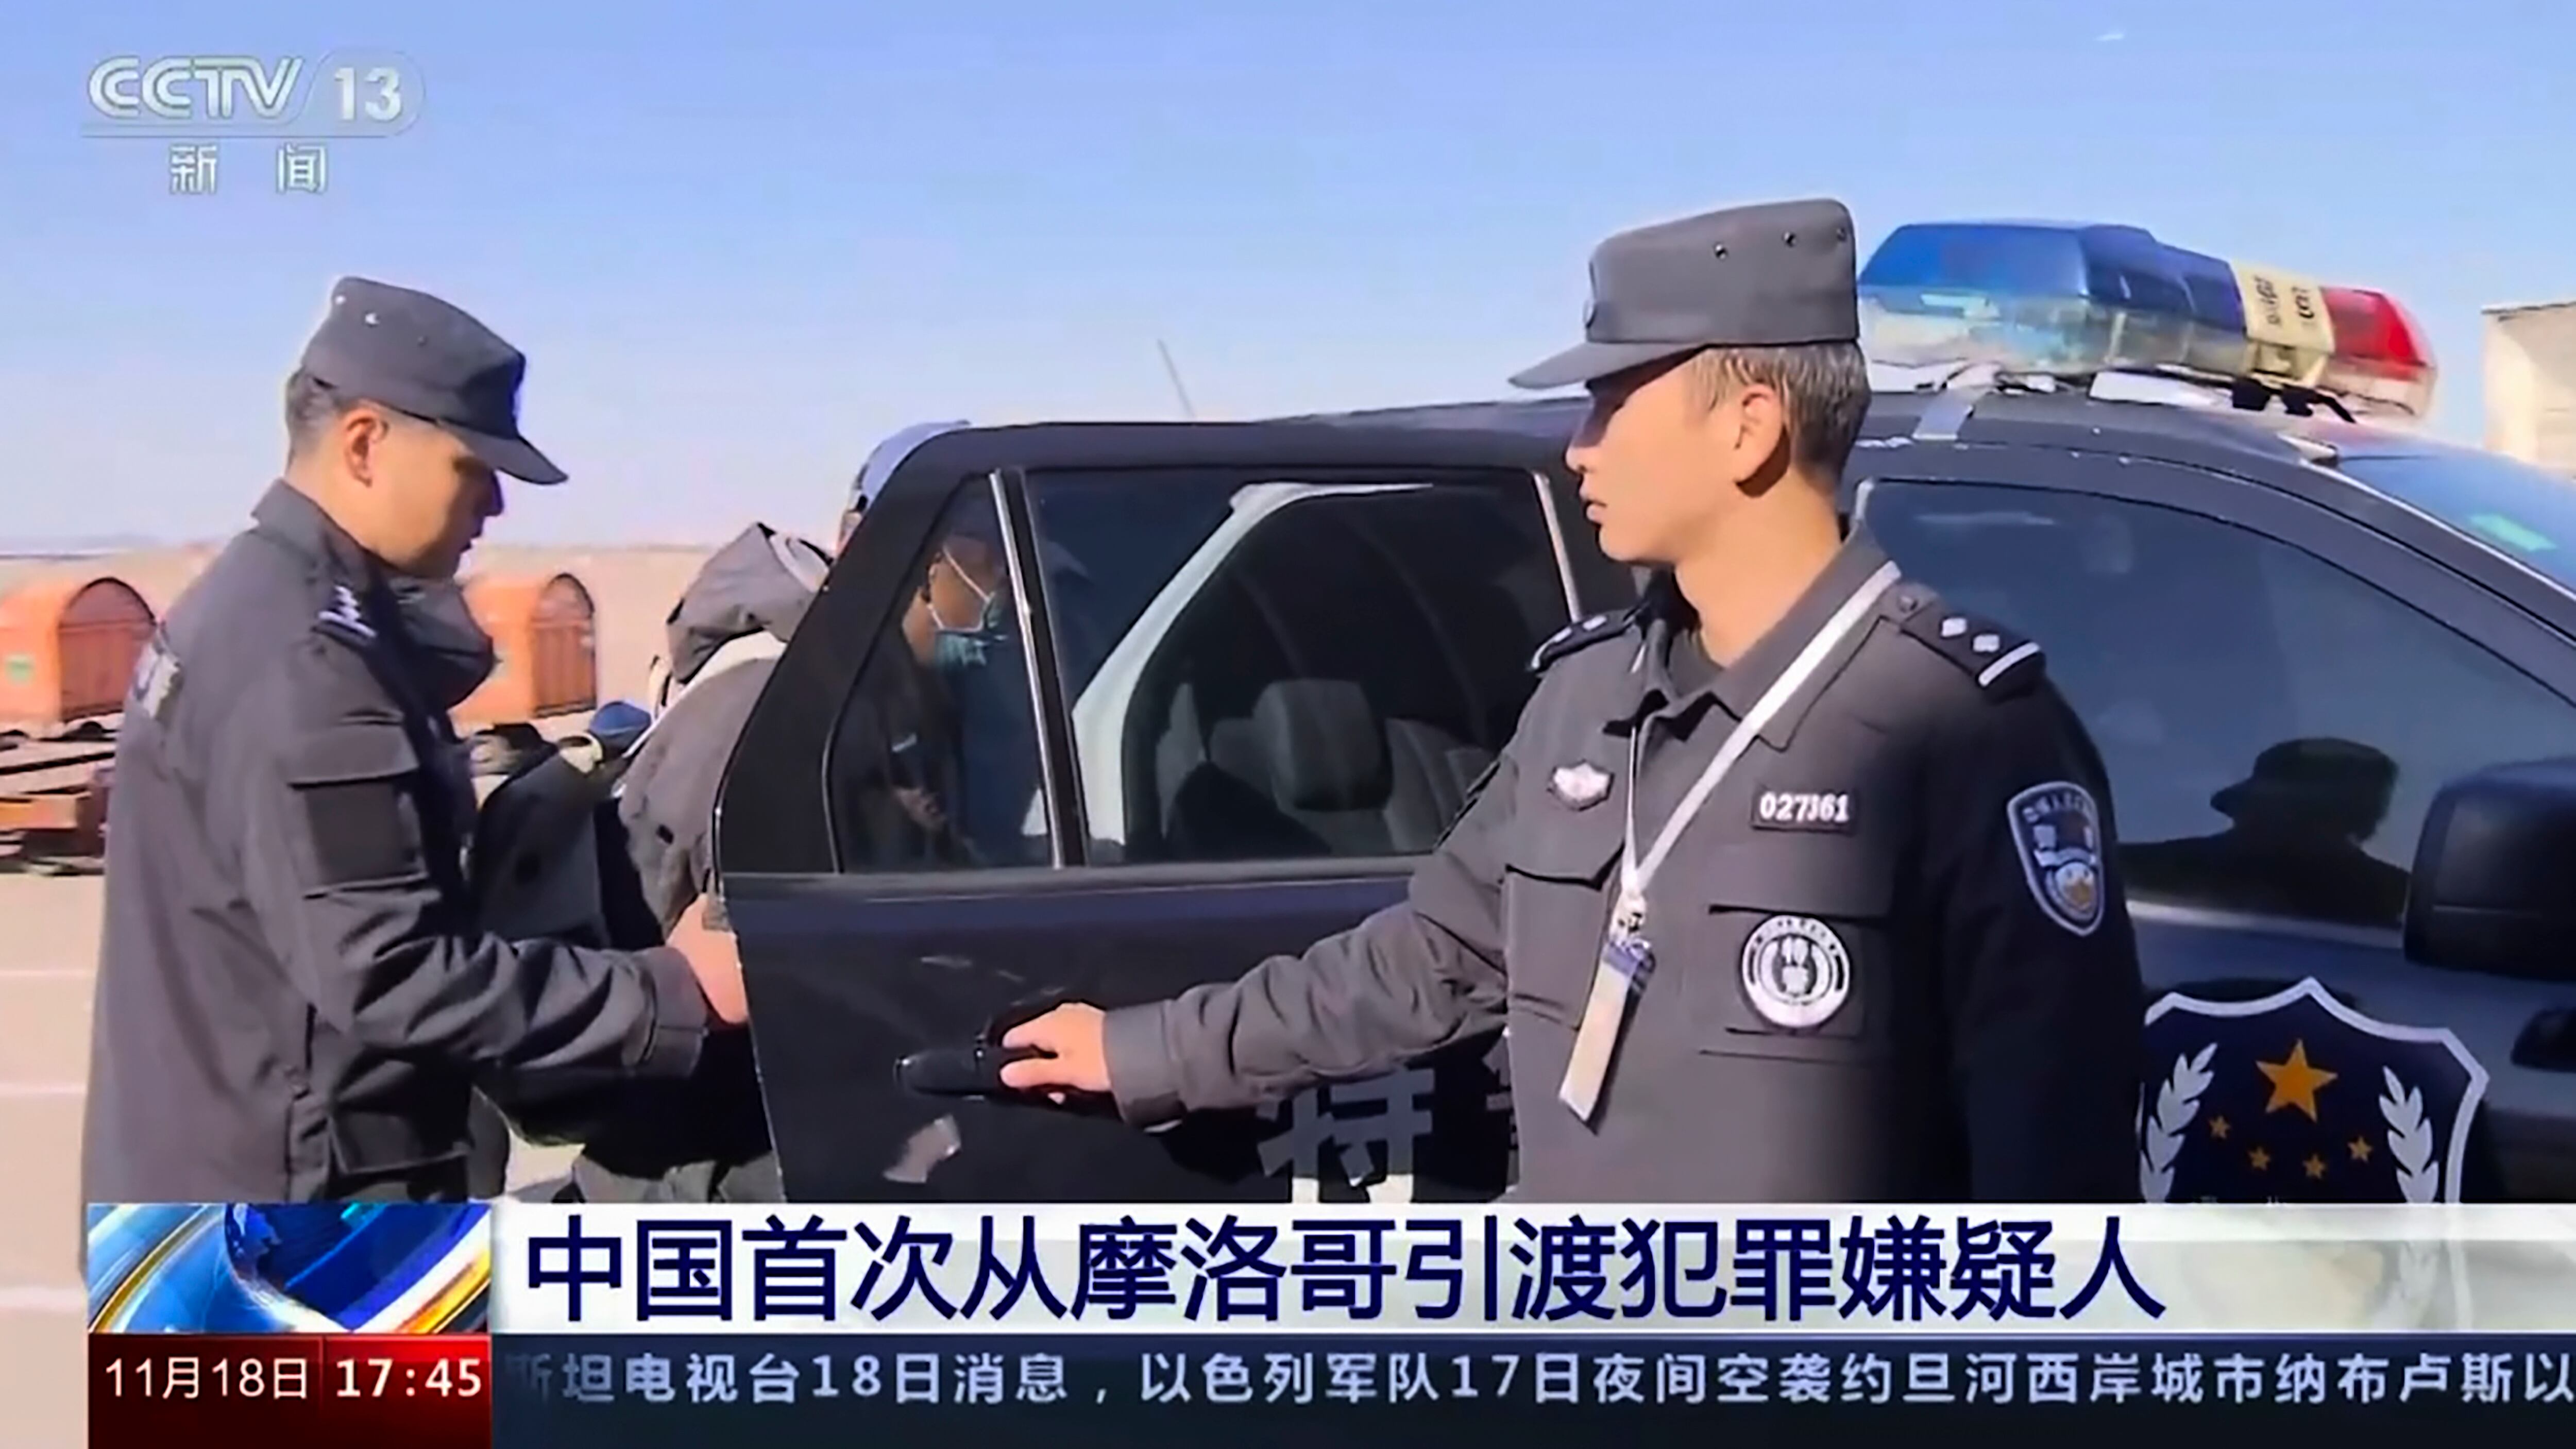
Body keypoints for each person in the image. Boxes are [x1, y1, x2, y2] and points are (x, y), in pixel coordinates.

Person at [999, 198, 2147, 1202]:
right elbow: (1430, 958)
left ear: (1748, 426)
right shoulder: (1588, 696)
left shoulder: (1964, 730)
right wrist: (1151, 1051)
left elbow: (2053, 1168)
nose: (1578, 450)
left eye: (1610, 403)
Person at [81, 277, 749, 1204]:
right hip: (299, 1211)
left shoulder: (262, 606)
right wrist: (675, 991)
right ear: (365, 444)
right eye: (472, 469)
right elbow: (391, 970)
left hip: (228, 1161)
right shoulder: (310, 663)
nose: (495, 507)